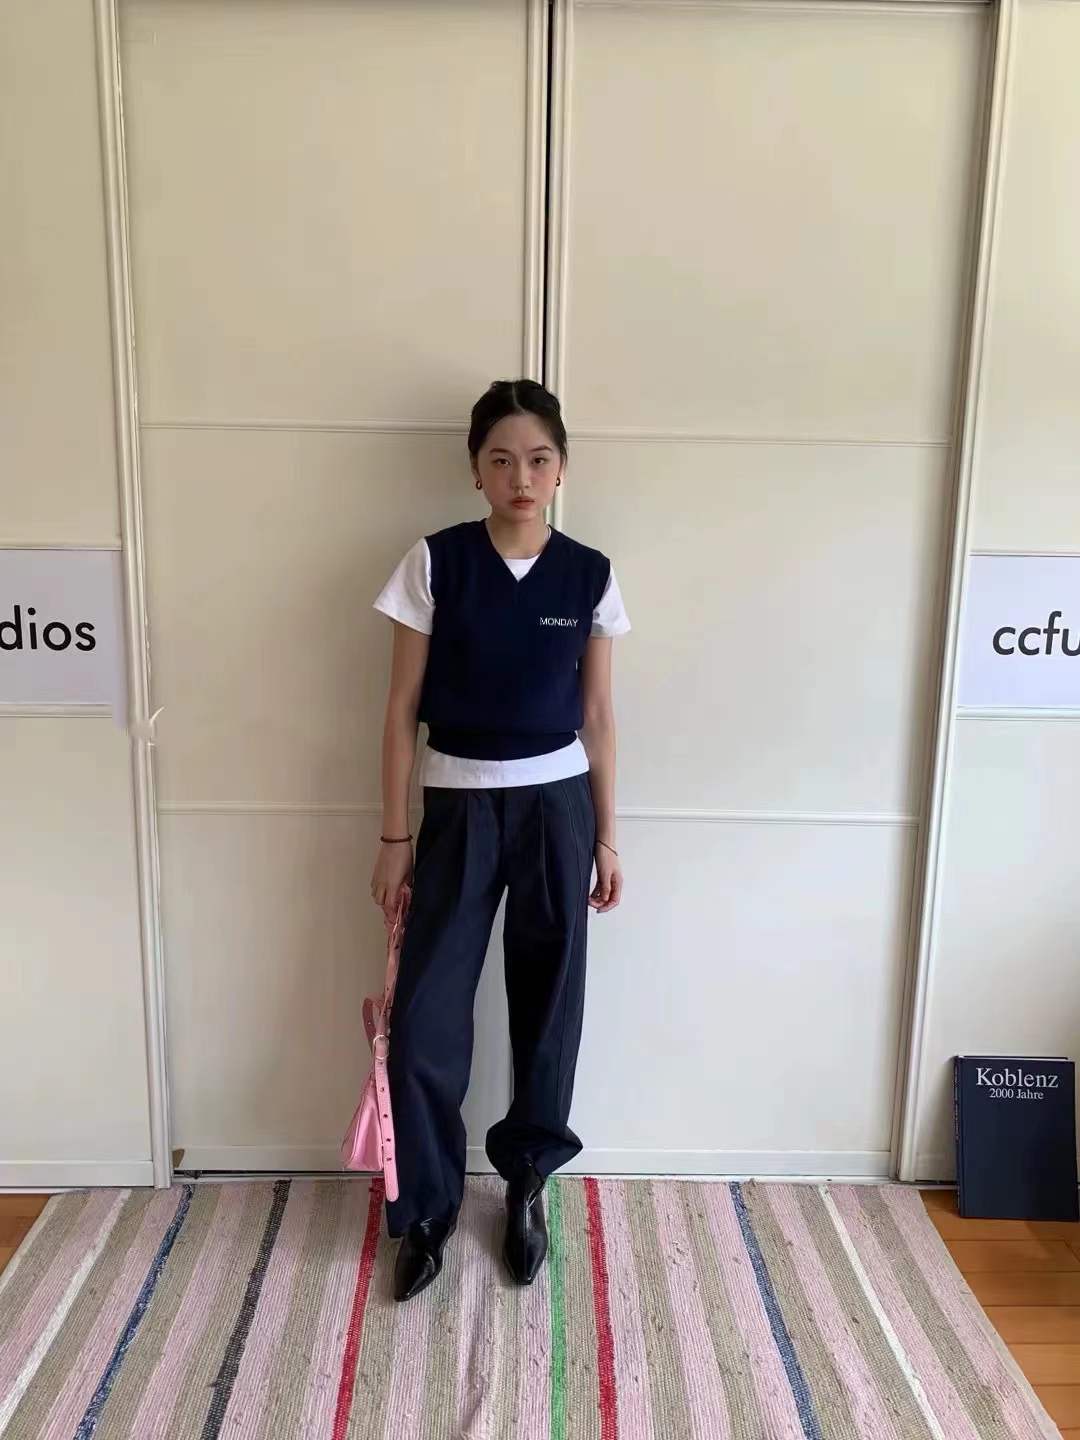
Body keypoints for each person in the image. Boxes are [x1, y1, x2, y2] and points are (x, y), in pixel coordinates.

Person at [368, 378, 631, 1302]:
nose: (522, 476)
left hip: (558, 809)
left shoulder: (589, 574)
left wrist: (607, 835)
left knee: (549, 1006)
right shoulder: (436, 562)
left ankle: (526, 1182)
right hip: (457, 809)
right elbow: (400, 709)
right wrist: (395, 833)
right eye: (502, 459)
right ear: (476, 470)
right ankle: (427, 1209)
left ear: (562, 470)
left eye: (539, 458)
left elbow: (599, 715)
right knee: (424, 1020)